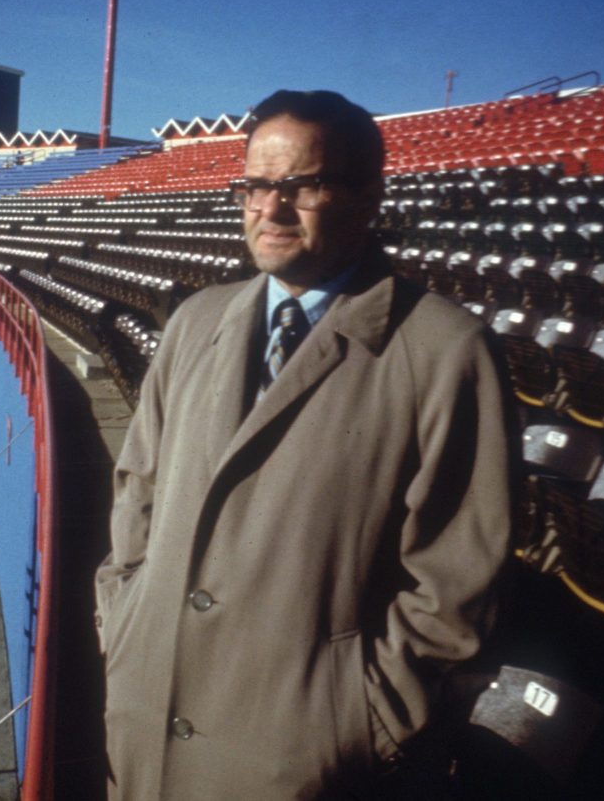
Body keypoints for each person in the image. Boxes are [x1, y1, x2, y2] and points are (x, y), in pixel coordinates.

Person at [94, 90, 516, 799]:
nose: (270, 208)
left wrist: (359, 722)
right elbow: (138, 488)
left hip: (301, 756)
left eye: (303, 186)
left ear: (368, 197)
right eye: (256, 185)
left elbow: (456, 585)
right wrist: (123, 615)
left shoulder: (447, 349)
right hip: (147, 713)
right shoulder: (197, 321)